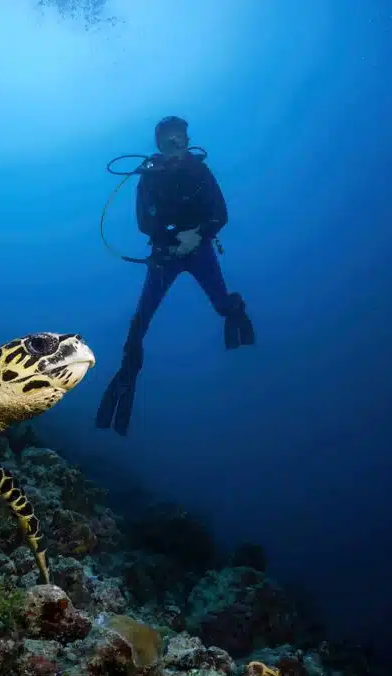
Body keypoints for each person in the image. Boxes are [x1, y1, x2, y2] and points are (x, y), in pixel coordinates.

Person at [95, 116, 255, 437]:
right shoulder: (149, 176)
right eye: (167, 138)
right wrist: (171, 240)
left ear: (186, 138)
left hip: (200, 250)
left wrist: (198, 235)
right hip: (165, 256)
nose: (174, 143)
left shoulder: (200, 171)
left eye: (179, 136)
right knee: (140, 321)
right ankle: (126, 377)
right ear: (158, 144)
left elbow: (220, 213)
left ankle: (235, 312)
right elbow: (144, 222)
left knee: (221, 303)